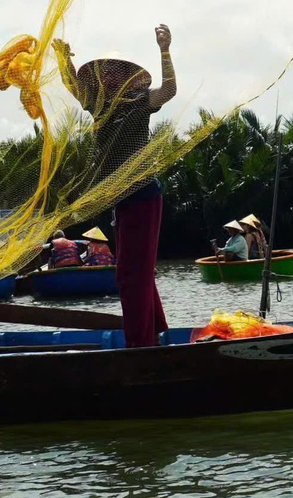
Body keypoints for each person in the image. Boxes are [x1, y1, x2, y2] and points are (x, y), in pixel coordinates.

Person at [53, 24, 177, 347]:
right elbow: (72, 86)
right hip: (123, 202)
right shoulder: (99, 106)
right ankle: (154, 332)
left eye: (115, 71)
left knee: (130, 276)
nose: (108, 76)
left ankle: (140, 348)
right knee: (135, 271)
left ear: (127, 78)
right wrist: (63, 59)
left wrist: (165, 50)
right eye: (105, 71)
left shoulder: (140, 101)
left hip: (144, 196)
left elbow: (169, 91)